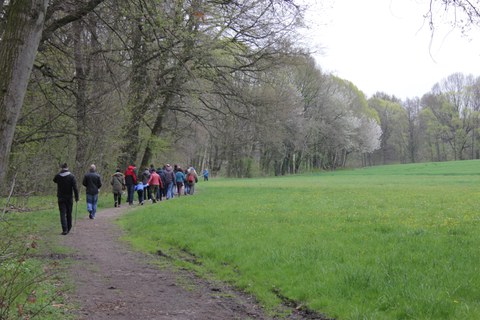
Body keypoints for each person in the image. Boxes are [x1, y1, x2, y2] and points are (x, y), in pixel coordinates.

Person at [53, 163, 79, 235]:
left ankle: (64, 229)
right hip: (69, 198)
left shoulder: (58, 176)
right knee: (68, 213)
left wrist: (59, 173)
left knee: (62, 213)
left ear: (61, 168)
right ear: (68, 167)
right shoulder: (71, 176)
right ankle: (69, 227)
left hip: (61, 197)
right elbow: (75, 188)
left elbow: (54, 180)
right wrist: (77, 197)